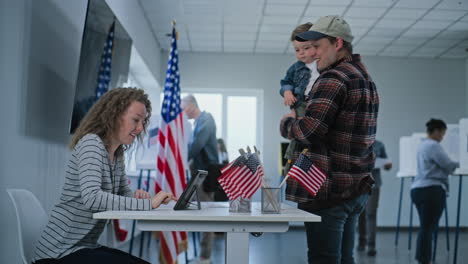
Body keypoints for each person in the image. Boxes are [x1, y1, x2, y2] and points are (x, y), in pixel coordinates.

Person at [32, 88, 175, 264]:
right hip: (58, 254)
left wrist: (138, 197)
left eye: (143, 122)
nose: (140, 128)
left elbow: (122, 193)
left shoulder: (117, 153)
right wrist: (147, 204)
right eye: (136, 120)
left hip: (85, 247)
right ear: (114, 115)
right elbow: (92, 198)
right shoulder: (91, 144)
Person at [279, 15, 379, 264]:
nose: (313, 53)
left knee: (324, 259)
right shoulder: (365, 78)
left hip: (329, 190)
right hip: (354, 188)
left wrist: (287, 123)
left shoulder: (333, 78)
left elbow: (309, 131)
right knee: (345, 258)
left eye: (318, 46)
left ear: (337, 43)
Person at [411, 118, 459, 264]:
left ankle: (422, 258)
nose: (442, 137)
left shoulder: (422, 145)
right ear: (437, 131)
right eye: (442, 134)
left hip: (417, 190)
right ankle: (424, 260)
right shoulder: (433, 146)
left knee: (425, 226)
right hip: (431, 190)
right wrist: (461, 162)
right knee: (428, 227)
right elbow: (448, 165)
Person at [181, 94, 218, 264]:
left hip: (206, 173)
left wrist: (181, 160)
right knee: (193, 211)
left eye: (183, 108)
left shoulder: (206, 119)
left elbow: (198, 144)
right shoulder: (196, 123)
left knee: (207, 214)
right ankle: (197, 254)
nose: (183, 112)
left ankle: (205, 256)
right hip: (198, 172)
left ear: (190, 106)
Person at [280, 22, 320, 172]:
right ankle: (291, 163)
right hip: (300, 105)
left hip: (315, 104)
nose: (301, 53)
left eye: (306, 48)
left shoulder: (324, 66)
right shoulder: (296, 68)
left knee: (310, 135)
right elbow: (285, 82)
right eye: (297, 50)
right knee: (299, 136)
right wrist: (287, 92)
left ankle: (305, 161)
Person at [357, 140, 392, 256]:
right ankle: (362, 241)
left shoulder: (379, 145)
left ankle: (371, 246)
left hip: (374, 184)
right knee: (360, 214)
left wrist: (387, 165)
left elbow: (387, 164)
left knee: (371, 213)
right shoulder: (355, 142)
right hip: (358, 184)